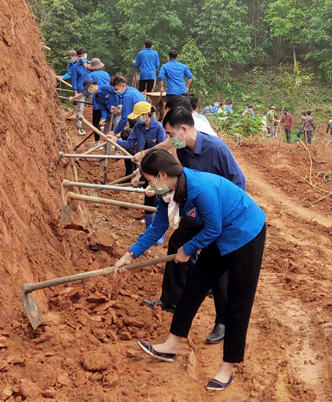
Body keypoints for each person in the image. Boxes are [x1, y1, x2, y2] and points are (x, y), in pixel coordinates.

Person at [114, 147, 266, 392]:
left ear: (162, 175)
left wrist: (188, 248)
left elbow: (213, 229)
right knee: (194, 286)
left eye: (150, 179)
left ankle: (227, 368)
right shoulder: (168, 193)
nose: (148, 186)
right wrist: (129, 255)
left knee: (238, 302)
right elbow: (157, 229)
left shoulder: (199, 188)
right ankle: (171, 346)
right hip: (221, 233)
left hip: (246, 232)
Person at [135, 107, 246, 345]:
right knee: (177, 242)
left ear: (183, 129)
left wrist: (228, 218)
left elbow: (239, 180)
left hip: (223, 211)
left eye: (170, 133)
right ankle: (171, 300)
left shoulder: (217, 148)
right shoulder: (183, 151)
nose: (169, 139)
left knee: (217, 260)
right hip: (198, 209)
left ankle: (223, 321)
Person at [108, 101, 167, 243]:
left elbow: (163, 151)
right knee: (148, 200)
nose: (137, 119)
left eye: (139, 116)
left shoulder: (159, 128)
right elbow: (130, 144)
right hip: (146, 167)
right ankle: (149, 232)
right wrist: (115, 139)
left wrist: (154, 177)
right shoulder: (138, 127)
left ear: (147, 114)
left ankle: (159, 234)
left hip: (160, 169)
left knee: (159, 200)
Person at [86, 58, 111, 143]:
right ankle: (110, 142)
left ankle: (97, 142)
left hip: (98, 102)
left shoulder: (90, 75)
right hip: (108, 101)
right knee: (108, 123)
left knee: (96, 122)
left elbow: (88, 88)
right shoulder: (106, 74)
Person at [71, 48, 91, 135]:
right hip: (81, 89)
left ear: (86, 55)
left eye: (83, 56)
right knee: (80, 107)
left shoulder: (91, 64)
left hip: (91, 89)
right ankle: (80, 127)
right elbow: (74, 79)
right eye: (80, 56)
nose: (82, 57)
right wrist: (75, 91)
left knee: (96, 105)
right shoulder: (75, 67)